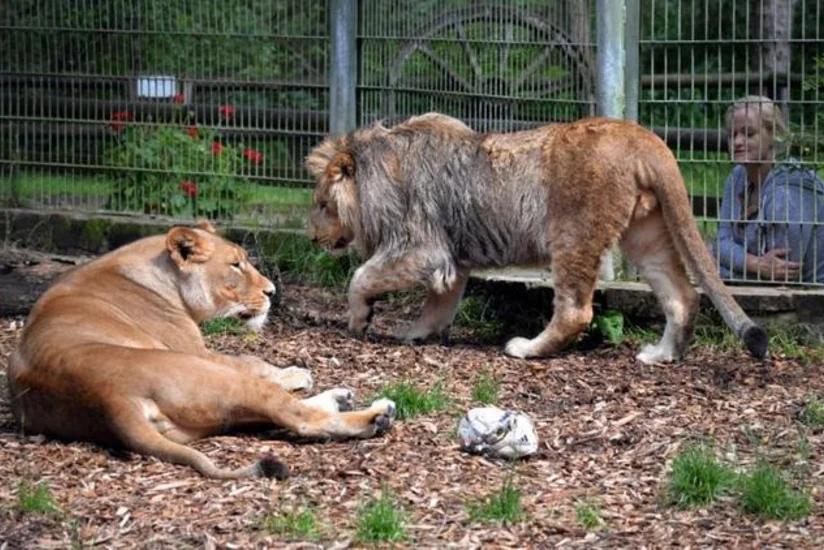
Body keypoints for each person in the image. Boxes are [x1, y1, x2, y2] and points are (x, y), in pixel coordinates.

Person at [711, 95, 824, 284]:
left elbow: (785, 272)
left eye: (748, 133)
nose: (737, 142)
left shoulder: (790, 185)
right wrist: (756, 264)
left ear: (773, 135)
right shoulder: (737, 176)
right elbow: (721, 242)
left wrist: (718, 268)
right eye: (732, 134)